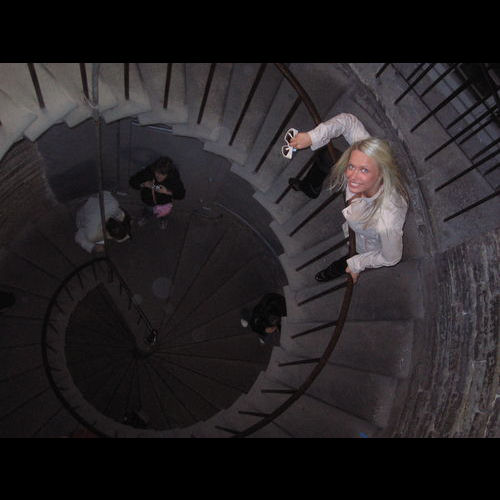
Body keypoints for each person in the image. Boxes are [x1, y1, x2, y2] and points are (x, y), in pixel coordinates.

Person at [289, 113, 408, 284]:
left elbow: (391, 257)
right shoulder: (367, 157)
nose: (352, 176)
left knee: (348, 259)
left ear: (381, 173)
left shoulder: (387, 221)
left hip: (362, 244)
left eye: (364, 170)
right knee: (327, 156)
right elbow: (348, 122)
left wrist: (357, 264)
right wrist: (311, 137)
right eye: (351, 166)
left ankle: (333, 271)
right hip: (356, 224)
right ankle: (310, 187)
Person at [129, 156, 186, 230]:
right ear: (154, 169)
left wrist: (166, 191)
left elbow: (181, 194)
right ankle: (146, 217)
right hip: (149, 200)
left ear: (168, 173)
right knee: (148, 210)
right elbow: (132, 181)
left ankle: (163, 219)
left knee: (164, 214)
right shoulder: (148, 172)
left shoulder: (173, 177)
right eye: (157, 172)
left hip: (164, 203)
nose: (159, 176)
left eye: (163, 174)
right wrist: (144, 184)